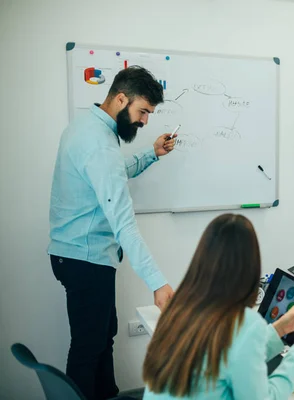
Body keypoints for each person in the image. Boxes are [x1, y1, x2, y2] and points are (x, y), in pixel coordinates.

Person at [48, 66, 176, 400]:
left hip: (72, 253)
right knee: (90, 348)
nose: (146, 121)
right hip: (87, 258)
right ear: (121, 98)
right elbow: (125, 227)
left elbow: (112, 172)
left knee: (102, 338)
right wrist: (159, 284)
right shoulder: (100, 146)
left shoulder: (86, 126)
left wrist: (152, 153)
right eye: (143, 111)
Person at [142, 214, 294, 399]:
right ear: (250, 266)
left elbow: (233, 356)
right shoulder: (243, 323)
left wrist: (281, 328)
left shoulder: (180, 307)